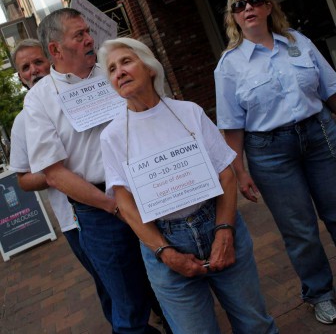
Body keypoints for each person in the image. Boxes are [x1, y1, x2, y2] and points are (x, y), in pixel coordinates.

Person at [98, 37, 278, 334]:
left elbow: (226, 174)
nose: (119, 72)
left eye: (126, 61)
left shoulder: (188, 112)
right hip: (164, 240)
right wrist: (165, 252)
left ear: (150, 68)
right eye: (112, 69)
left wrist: (224, 231)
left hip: (216, 221)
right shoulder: (112, 136)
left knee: (254, 323)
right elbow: (126, 205)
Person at [23, 9, 166, 334]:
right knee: (129, 306)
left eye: (88, 31)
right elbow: (54, 173)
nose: (90, 39)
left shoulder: (113, 71)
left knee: (171, 284)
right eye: (79, 35)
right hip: (101, 213)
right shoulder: (40, 101)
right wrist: (111, 205)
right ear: (56, 50)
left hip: (149, 187)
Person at [214, 0, 336, 325]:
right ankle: (320, 292)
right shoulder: (229, 66)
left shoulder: (298, 42)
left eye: (255, 1)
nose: (248, 8)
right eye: (239, 5)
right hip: (270, 153)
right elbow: (232, 127)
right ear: (233, 17)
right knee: (300, 229)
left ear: (269, 7)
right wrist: (239, 172)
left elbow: (330, 90)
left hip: (320, 135)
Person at [9, 38, 112, 324]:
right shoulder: (22, 122)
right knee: (109, 286)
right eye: (25, 68)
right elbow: (24, 180)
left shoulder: (86, 93)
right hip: (75, 220)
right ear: (20, 77)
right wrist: (59, 175)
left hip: (118, 198)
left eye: (38, 62)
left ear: (51, 59)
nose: (33, 71)